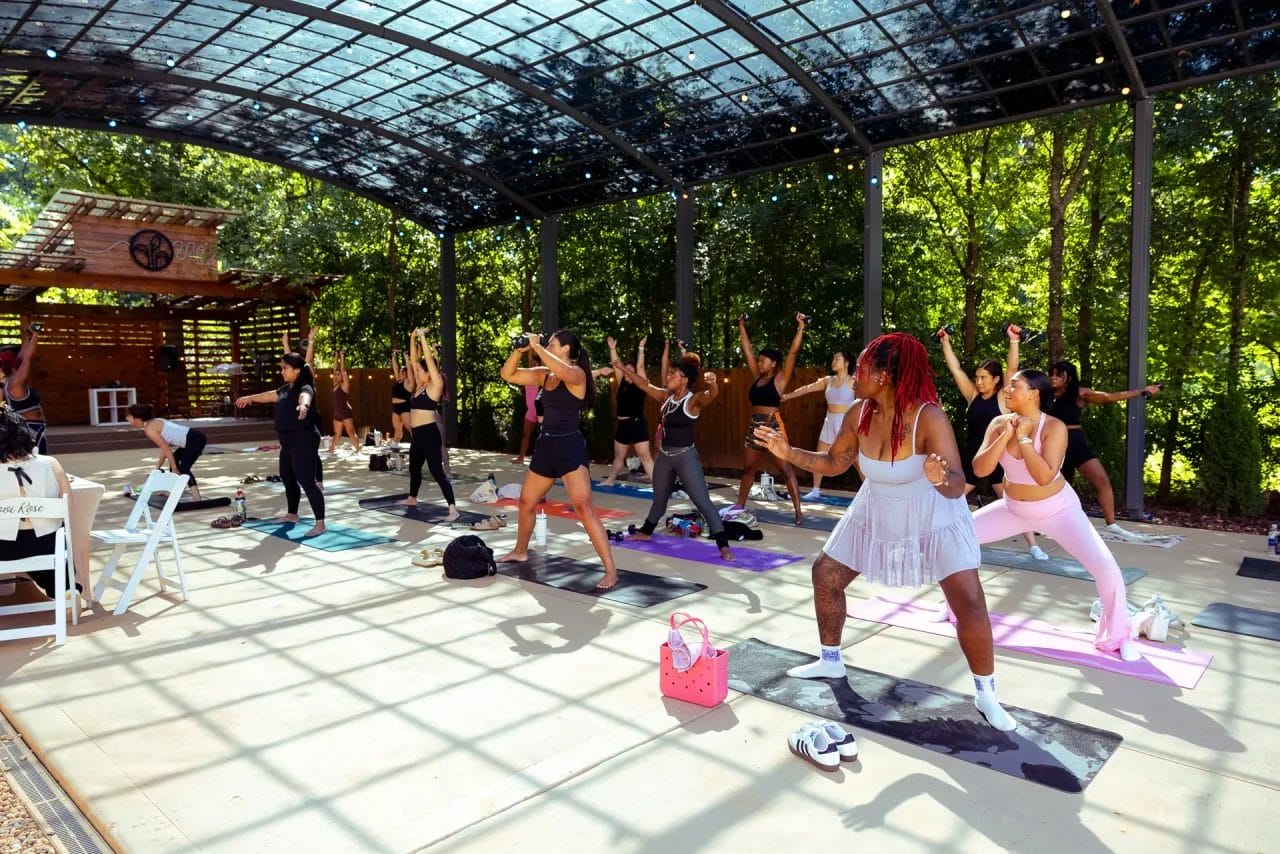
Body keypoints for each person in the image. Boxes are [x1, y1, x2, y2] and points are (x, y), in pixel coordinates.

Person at [755, 332, 1016, 732]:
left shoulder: (928, 416)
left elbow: (956, 481)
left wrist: (937, 476)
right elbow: (835, 462)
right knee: (826, 574)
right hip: (875, 506)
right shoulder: (858, 411)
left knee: (969, 601)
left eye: (862, 368)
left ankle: (986, 693)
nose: (855, 375)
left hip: (933, 511)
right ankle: (830, 660)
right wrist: (788, 453)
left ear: (883, 376)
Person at [970, 370, 1140, 661]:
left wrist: (1023, 439)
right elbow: (980, 470)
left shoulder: (1055, 427)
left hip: (1058, 510)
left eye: (1014, 386)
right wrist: (1007, 434)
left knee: (1106, 567)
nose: (1007, 390)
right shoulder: (999, 423)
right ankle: (957, 609)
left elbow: (1044, 476)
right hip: (1013, 508)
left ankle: (1118, 635)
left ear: (1034, 394)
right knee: (957, 539)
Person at [497, 330, 620, 590]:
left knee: (584, 508)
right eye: (548, 342)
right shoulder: (544, 374)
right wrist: (519, 351)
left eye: (553, 342)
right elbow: (508, 374)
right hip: (546, 445)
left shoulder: (577, 374)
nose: (548, 344)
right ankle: (520, 550)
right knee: (526, 502)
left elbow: (564, 373)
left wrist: (537, 347)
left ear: (566, 349)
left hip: (569, 446)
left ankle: (610, 570)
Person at [608, 340, 733, 560]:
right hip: (665, 456)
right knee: (659, 499)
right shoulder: (666, 398)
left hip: (685, 457)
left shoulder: (692, 401)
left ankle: (723, 545)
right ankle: (646, 532)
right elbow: (643, 384)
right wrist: (621, 367)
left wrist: (713, 383)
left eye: (673, 374)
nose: (668, 377)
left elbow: (711, 395)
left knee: (702, 501)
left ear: (685, 379)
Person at [938, 324, 1047, 560]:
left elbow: (1013, 368)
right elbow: (955, 369)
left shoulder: (1002, 398)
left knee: (1013, 501)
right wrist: (945, 342)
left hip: (1000, 459)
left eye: (984, 378)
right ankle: (939, 537)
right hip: (974, 458)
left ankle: (1033, 545)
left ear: (997, 380)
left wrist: (1014, 341)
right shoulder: (972, 396)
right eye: (977, 377)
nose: (978, 381)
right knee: (949, 498)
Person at [1046, 361, 1160, 538]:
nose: (1053, 378)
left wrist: (1140, 392)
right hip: (1052, 444)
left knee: (1102, 480)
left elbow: (1108, 397)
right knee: (1053, 487)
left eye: (1058, 374)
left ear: (1068, 377)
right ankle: (1046, 523)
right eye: (1051, 374)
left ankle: (1111, 524)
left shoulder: (1080, 393)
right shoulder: (1043, 395)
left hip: (1075, 443)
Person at [235, 353, 325, 537]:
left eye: (285, 368)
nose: (281, 370)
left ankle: (320, 524)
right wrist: (250, 398)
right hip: (288, 442)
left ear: (297, 370)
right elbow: (269, 395)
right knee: (288, 478)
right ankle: (292, 515)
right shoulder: (285, 389)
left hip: (303, 440)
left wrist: (303, 407)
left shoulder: (304, 387)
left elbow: (305, 396)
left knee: (307, 482)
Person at [732, 312, 807, 525]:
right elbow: (747, 350)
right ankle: (739, 506)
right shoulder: (757, 378)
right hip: (754, 427)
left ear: (773, 363)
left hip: (772, 425)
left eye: (763, 360)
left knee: (785, 469)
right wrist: (741, 326)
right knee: (748, 469)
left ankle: (799, 512)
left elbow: (792, 352)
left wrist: (800, 327)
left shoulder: (780, 379)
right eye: (759, 360)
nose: (759, 362)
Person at [0, 407, 74, 599]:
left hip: (4, 548)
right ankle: (66, 590)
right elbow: (69, 507)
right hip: (47, 545)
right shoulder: (51, 463)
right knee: (57, 537)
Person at [397, 328, 458, 520]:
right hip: (417, 435)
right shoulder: (419, 387)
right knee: (414, 468)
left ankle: (452, 509)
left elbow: (428, 361)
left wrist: (422, 338)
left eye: (420, 371)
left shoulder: (434, 387)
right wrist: (412, 337)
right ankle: (412, 498)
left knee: (437, 472)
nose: (416, 371)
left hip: (430, 434)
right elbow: (415, 362)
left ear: (430, 374)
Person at [780, 349, 857, 500]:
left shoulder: (853, 380)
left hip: (846, 422)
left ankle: (867, 493)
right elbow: (807, 388)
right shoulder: (828, 380)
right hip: (829, 420)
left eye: (837, 359)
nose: (833, 361)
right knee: (820, 454)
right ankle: (815, 490)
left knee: (856, 459)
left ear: (846, 362)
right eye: (834, 359)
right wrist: (787, 396)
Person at [595, 336, 655, 486]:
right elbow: (617, 366)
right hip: (623, 425)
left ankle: (658, 485)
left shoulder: (640, 384)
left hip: (637, 423)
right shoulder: (622, 381)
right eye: (626, 369)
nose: (627, 372)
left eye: (630, 370)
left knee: (645, 457)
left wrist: (641, 348)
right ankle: (610, 480)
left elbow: (640, 366)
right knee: (618, 456)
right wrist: (612, 349)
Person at [126, 404, 208, 501]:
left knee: (183, 467)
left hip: (195, 440)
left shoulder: (149, 429)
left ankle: (196, 496)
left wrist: (174, 467)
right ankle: (172, 491)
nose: (126, 418)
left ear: (137, 418)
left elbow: (165, 447)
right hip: (192, 439)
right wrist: (158, 467)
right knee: (175, 460)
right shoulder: (154, 422)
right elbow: (164, 448)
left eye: (129, 416)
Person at [1, 324, 47, 454]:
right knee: (38, 459)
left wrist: (29, 336)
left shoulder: (11, 379)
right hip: (31, 427)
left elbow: (23, 355)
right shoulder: (16, 382)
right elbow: (27, 357)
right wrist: (36, 334)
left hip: (31, 426)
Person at [510, 352, 541, 464]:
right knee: (525, 435)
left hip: (542, 411)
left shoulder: (541, 377)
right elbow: (530, 359)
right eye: (532, 364)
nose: (533, 365)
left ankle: (547, 460)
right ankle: (521, 457)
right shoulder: (528, 376)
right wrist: (531, 346)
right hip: (531, 411)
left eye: (536, 364)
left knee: (547, 436)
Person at [328, 350, 360, 454]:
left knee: (351, 432)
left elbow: (343, 370)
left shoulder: (344, 385)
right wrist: (335, 356)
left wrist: (341, 357)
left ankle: (358, 449)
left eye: (339, 374)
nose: (336, 375)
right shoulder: (335, 384)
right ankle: (331, 449)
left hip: (345, 411)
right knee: (337, 434)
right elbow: (334, 370)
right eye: (336, 374)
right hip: (337, 412)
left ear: (342, 375)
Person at [390, 350, 411, 444]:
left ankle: (419, 446)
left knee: (411, 429)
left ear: (406, 373)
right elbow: (395, 368)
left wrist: (406, 357)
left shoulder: (408, 382)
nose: (400, 372)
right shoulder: (398, 380)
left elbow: (410, 369)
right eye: (400, 371)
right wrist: (394, 356)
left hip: (405, 408)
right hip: (396, 408)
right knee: (397, 429)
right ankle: (396, 446)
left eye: (403, 371)